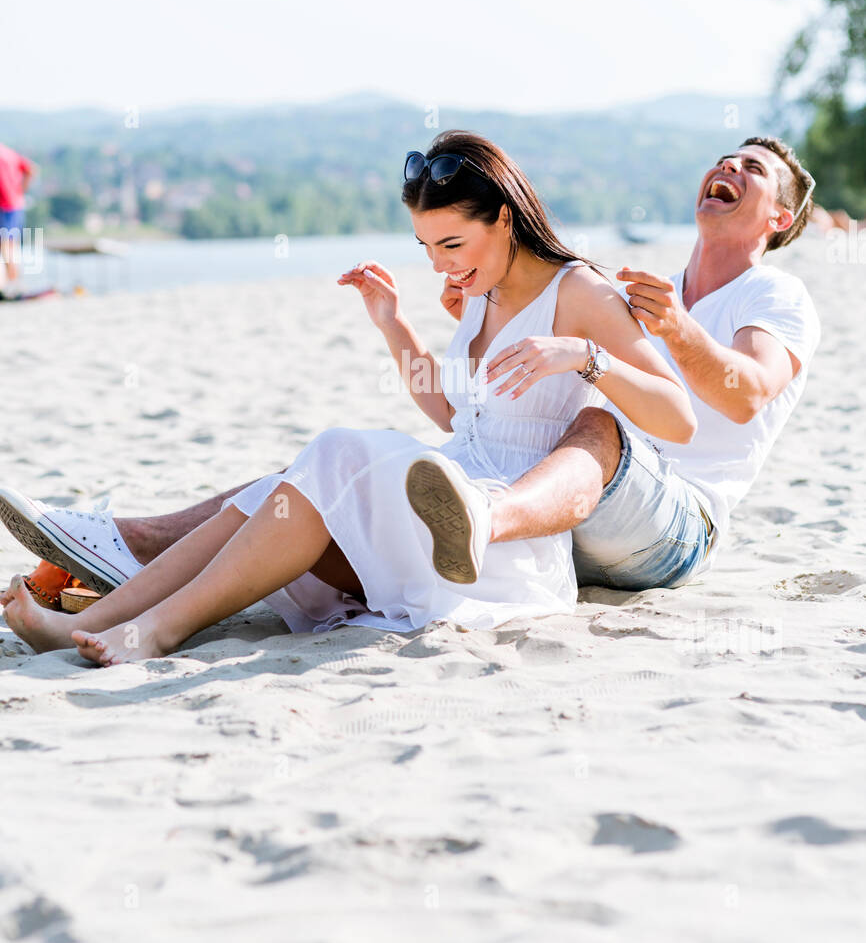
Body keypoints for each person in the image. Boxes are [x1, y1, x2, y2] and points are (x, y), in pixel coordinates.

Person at [0, 132, 695, 664]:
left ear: (506, 219)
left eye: (452, 242)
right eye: (427, 247)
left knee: (335, 450)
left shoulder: (580, 293)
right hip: (447, 485)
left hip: (500, 543)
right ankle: (89, 624)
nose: (441, 264)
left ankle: (156, 629)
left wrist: (586, 357)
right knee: (282, 488)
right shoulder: (481, 294)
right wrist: (393, 324)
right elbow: (459, 416)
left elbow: (679, 419)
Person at [0, 142, 37, 293]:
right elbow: (31, 170)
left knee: (6, 245)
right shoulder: (9, 152)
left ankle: (13, 283)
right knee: (10, 245)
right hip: (16, 204)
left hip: (5, 205)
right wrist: (21, 190)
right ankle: (13, 282)